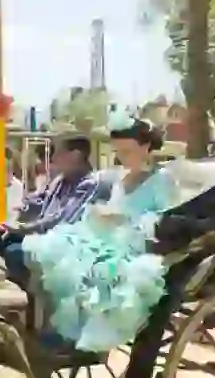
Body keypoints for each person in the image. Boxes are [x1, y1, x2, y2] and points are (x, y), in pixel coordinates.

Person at [20, 110, 177, 352]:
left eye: (128, 152)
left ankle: (75, 338)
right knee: (55, 259)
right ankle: (53, 331)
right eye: (118, 152)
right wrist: (102, 213)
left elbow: (166, 220)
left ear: (146, 147)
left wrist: (122, 217)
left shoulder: (162, 179)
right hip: (107, 237)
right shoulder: (121, 178)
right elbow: (114, 207)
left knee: (96, 275)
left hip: (137, 245)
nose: (122, 158)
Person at [0, 135, 103, 289]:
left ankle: (32, 300)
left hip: (63, 244)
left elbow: (63, 218)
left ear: (76, 155)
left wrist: (24, 228)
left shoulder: (89, 184)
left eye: (58, 153)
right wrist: (12, 223)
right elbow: (35, 201)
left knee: (13, 252)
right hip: (40, 236)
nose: (54, 158)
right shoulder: (59, 180)